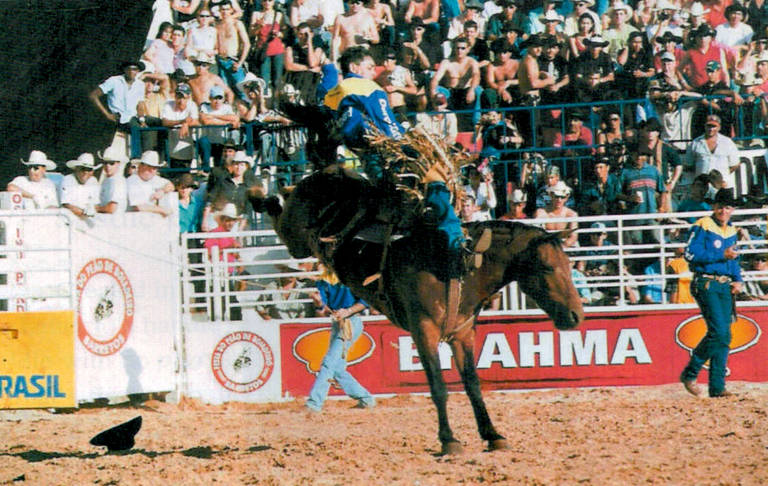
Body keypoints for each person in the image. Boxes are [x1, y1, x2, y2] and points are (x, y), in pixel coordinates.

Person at [680, 188, 743, 398]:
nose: (723, 211)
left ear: (732, 209)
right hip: (706, 282)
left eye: (727, 207)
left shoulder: (731, 230)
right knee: (720, 333)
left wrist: (737, 279)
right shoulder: (703, 225)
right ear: (713, 207)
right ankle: (691, 372)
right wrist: (720, 254)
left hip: (723, 285)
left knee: (724, 335)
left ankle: (717, 386)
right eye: (720, 206)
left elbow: (733, 258)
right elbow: (690, 253)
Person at [305, 264, 375, 412]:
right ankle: (365, 398)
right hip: (340, 323)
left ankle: (314, 404)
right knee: (336, 367)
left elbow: (365, 301)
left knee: (328, 363)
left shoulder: (350, 278)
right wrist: (319, 304)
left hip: (351, 323)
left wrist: (347, 311)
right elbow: (323, 308)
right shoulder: (324, 281)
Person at [90, 60, 148, 157]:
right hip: (119, 120)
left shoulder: (140, 84)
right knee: (136, 129)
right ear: (124, 70)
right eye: (128, 68)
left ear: (138, 71)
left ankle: (155, 157)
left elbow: (140, 104)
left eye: (134, 69)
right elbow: (93, 95)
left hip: (134, 119)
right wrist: (107, 114)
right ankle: (137, 158)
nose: (131, 71)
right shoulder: (114, 80)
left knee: (158, 123)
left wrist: (142, 120)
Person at [685, 115, 740, 190]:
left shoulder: (727, 142)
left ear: (719, 127)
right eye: (708, 126)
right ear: (704, 126)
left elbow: (735, 164)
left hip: (723, 186)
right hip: (702, 187)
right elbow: (689, 164)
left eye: (714, 126)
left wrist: (723, 177)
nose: (711, 129)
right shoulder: (695, 143)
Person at [216, 0, 251, 98]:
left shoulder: (237, 23)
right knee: (223, 91)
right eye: (222, 9)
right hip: (220, 60)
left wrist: (240, 62)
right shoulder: (217, 25)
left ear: (231, 10)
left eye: (227, 9)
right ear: (219, 10)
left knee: (242, 91)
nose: (224, 12)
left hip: (233, 60)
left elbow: (247, 44)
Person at [126, 150, 174, 216]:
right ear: (140, 166)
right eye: (148, 167)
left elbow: (170, 185)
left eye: (154, 168)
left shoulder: (153, 178)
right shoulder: (132, 181)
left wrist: (162, 191)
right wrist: (162, 210)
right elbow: (139, 207)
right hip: (134, 221)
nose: (151, 170)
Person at [60, 153, 101, 219]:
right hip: (69, 221)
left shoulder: (94, 181)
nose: (86, 172)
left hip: (89, 220)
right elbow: (67, 205)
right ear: (76, 168)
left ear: (92, 172)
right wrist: (84, 213)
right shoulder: (67, 180)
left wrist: (92, 211)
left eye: (89, 169)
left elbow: (96, 204)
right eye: (83, 169)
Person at [96, 146, 128, 214]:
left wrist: (94, 209)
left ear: (118, 164)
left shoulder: (118, 181)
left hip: (113, 221)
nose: (108, 166)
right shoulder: (107, 180)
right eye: (105, 162)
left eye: (111, 163)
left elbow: (112, 208)